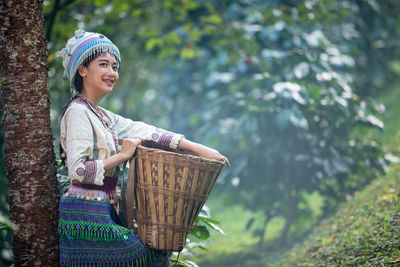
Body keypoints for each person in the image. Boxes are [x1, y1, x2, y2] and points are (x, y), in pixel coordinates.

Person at [57, 29, 230, 266]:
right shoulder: (78, 112)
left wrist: (200, 149)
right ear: (82, 69)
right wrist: (123, 155)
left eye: (115, 67)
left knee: (154, 257)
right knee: (148, 259)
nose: (112, 73)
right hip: (84, 213)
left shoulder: (102, 116)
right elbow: (77, 171)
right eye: (104, 64)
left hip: (102, 210)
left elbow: (143, 130)